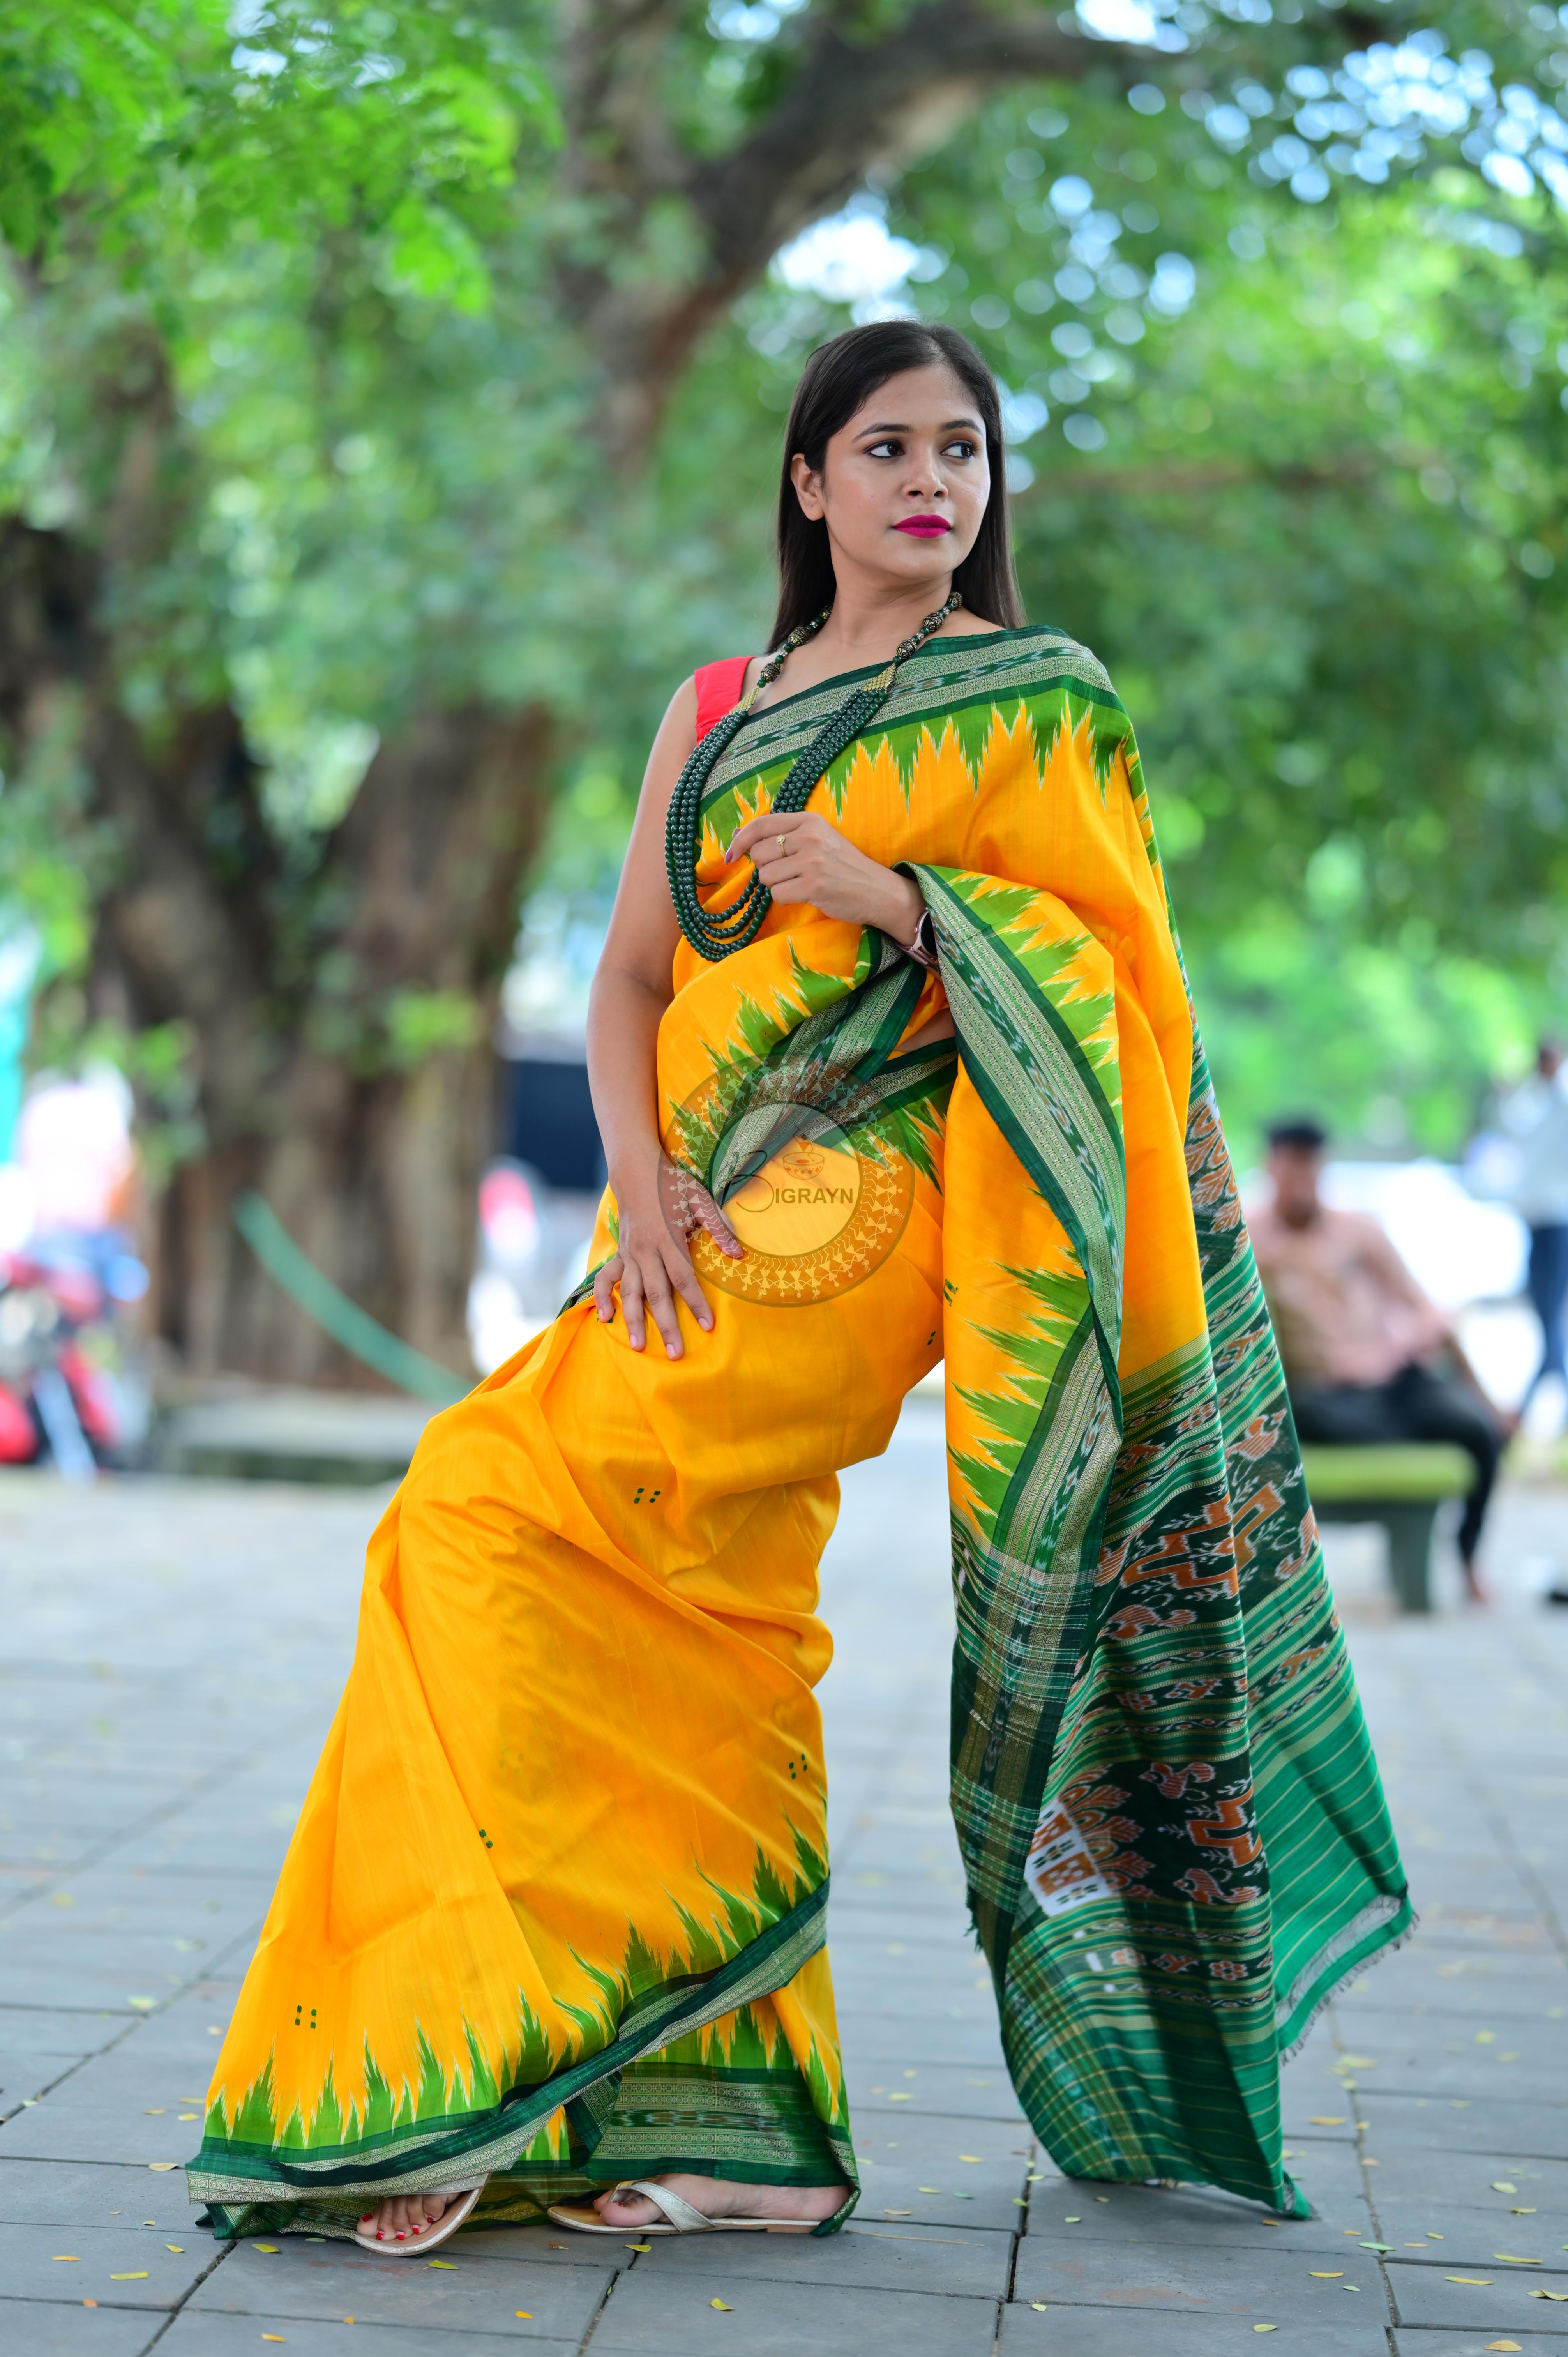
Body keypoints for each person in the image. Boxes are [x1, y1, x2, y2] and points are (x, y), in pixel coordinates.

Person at [187, 322, 1410, 2255]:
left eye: (966, 451)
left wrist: (895, 894)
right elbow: (625, 982)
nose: (936, 480)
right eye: (891, 445)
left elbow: (1126, 990)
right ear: (808, 482)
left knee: (474, 1516)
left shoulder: (1038, 703)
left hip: (872, 1221)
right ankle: (745, 2140)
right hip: (675, 1225)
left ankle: (475, 2050)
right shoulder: (717, 700)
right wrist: (645, 1184)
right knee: (707, 1608)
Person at [1250, 1118, 1503, 1603]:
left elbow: (1420, 1303)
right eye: (1292, 1171)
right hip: (1319, 1393)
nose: (1302, 1184)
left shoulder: (1359, 1230)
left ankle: (1468, 1558)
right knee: (1318, 1416)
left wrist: (1427, 1335)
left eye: (1311, 1171)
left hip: (1392, 1381)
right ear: (1272, 1169)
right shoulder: (1250, 1240)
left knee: (1477, 1430)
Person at [1497, 1040, 1568, 1412]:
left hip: (1558, 1222)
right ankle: (1534, 1399)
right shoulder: (1536, 1104)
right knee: (1545, 1313)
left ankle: (1526, 1405)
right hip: (1537, 1223)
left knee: (1551, 1314)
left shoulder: (1561, 1100)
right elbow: (1515, 1129)